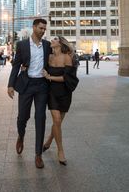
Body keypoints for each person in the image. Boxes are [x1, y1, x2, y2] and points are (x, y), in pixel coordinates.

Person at [7, 18, 51, 169]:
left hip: (41, 86)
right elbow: (16, 65)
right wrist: (10, 85)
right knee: (22, 117)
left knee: (41, 118)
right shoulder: (22, 45)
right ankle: (21, 135)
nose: (42, 31)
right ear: (33, 28)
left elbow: (52, 61)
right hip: (26, 85)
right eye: (40, 28)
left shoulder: (47, 45)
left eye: (44, 29)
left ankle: (38, 155)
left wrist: (50, 73)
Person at [43, 36, 79, 165]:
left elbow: (67, 78)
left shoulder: (66, 57)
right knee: (56, 121)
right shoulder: (49, 58)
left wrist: (49, 77)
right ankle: (60, 151)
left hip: (64, 93)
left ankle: (48, 142)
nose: (51, 41)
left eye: (54, 39)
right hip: (52, 92)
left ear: (60, 43)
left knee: (57, 124)